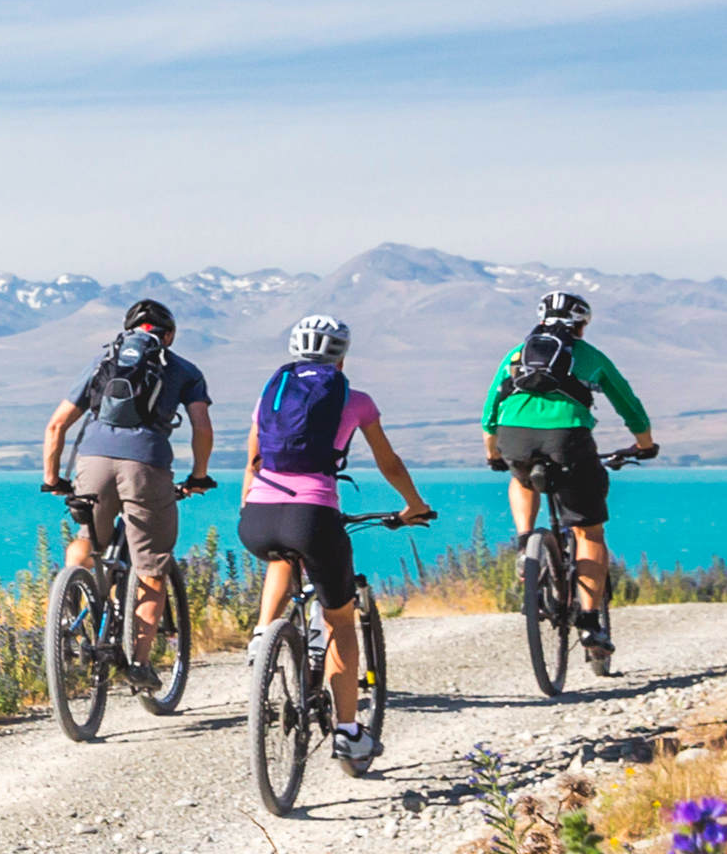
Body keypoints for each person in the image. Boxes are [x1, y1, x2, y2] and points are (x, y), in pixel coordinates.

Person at [242, 313, 433, 768]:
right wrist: (413, 504)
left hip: (257, 518)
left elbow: (252, 462)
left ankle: (262, 635)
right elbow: (389, 463)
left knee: (281, 557)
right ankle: (349, 733)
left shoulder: (270, 395)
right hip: (313, 516)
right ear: (342, 355)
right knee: (340, 623)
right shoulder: (355, 399)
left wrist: (249, 510)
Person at [480, 286, 659, 670]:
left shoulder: (517, 353)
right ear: (581, 326)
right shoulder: (590, 356)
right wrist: (644, 444)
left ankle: (526, 542)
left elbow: (491, 406)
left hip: (514, 436)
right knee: (588, 532)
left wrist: (494, 452)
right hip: (569, 440)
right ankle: (591, 622)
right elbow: (628, 403)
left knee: (521, 477)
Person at [38, 297, 218, 657]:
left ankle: (69, 597)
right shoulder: (184, 370)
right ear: (168, 336)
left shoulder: (102, 362)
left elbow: (56, 425)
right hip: (147, 466)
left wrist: (53, 478)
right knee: (151, 566)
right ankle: (137, 663)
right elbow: (202, 427)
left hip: (93, 461)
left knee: (88, 539)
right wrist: (198, 476)